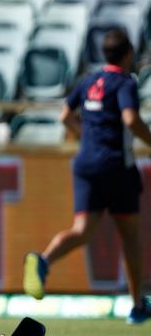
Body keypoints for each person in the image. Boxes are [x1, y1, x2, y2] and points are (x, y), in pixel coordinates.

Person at [23, 28, 151, 324]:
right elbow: (130, 119)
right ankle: (136, 305)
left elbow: (65, 116)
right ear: (128, 54)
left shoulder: (89, 80)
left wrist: (85, 139)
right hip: (116, 166)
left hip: (85, 163)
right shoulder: (125, 82)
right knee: (130, 236)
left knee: (83, 230)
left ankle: (43, 260)